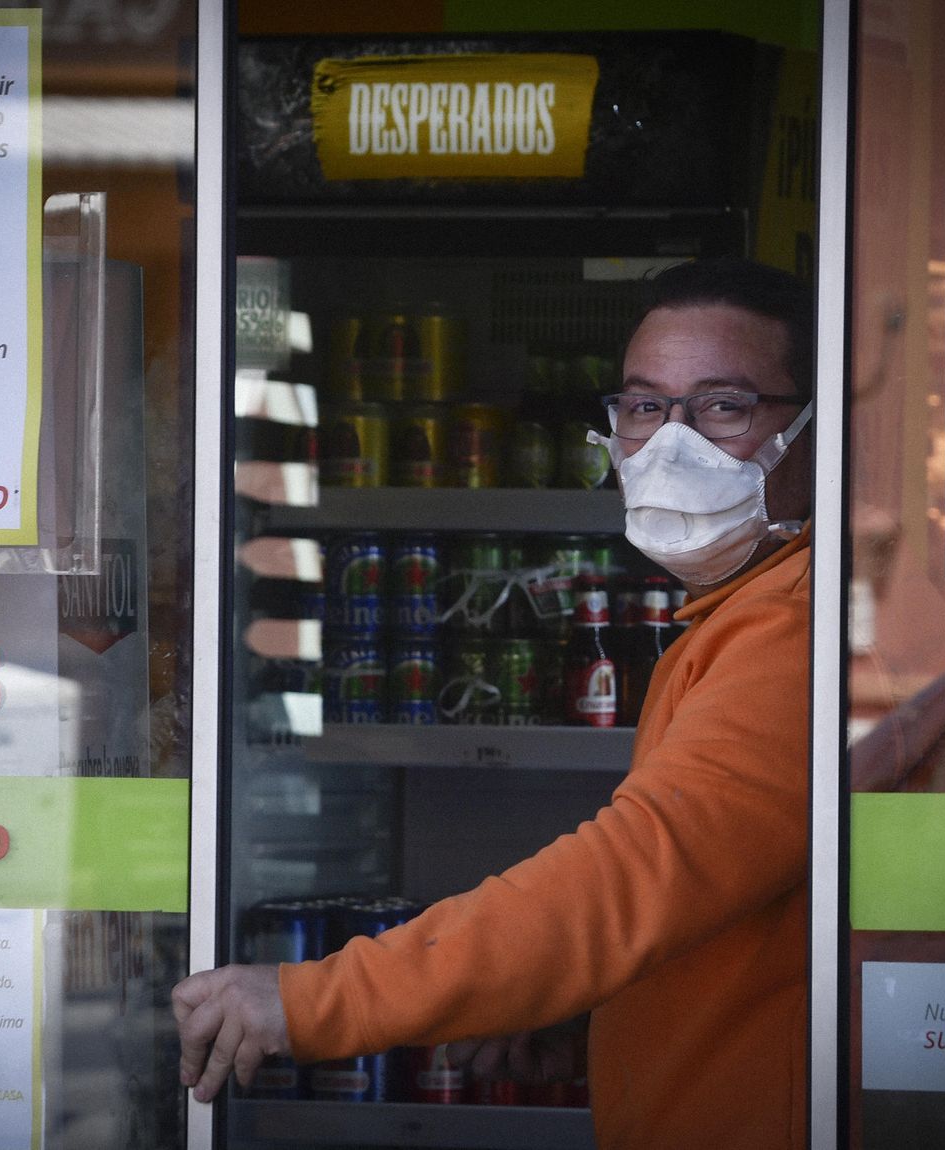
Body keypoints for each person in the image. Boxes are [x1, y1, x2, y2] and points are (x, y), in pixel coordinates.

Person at [174, 256, 815, 1149]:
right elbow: (729, 921)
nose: (671, 444)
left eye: (722, 406)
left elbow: (634, 875)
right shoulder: (735, 615)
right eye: (643, 407)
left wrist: (313, 999)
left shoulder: (797, 632)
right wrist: (597, 1024)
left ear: (818, 434)